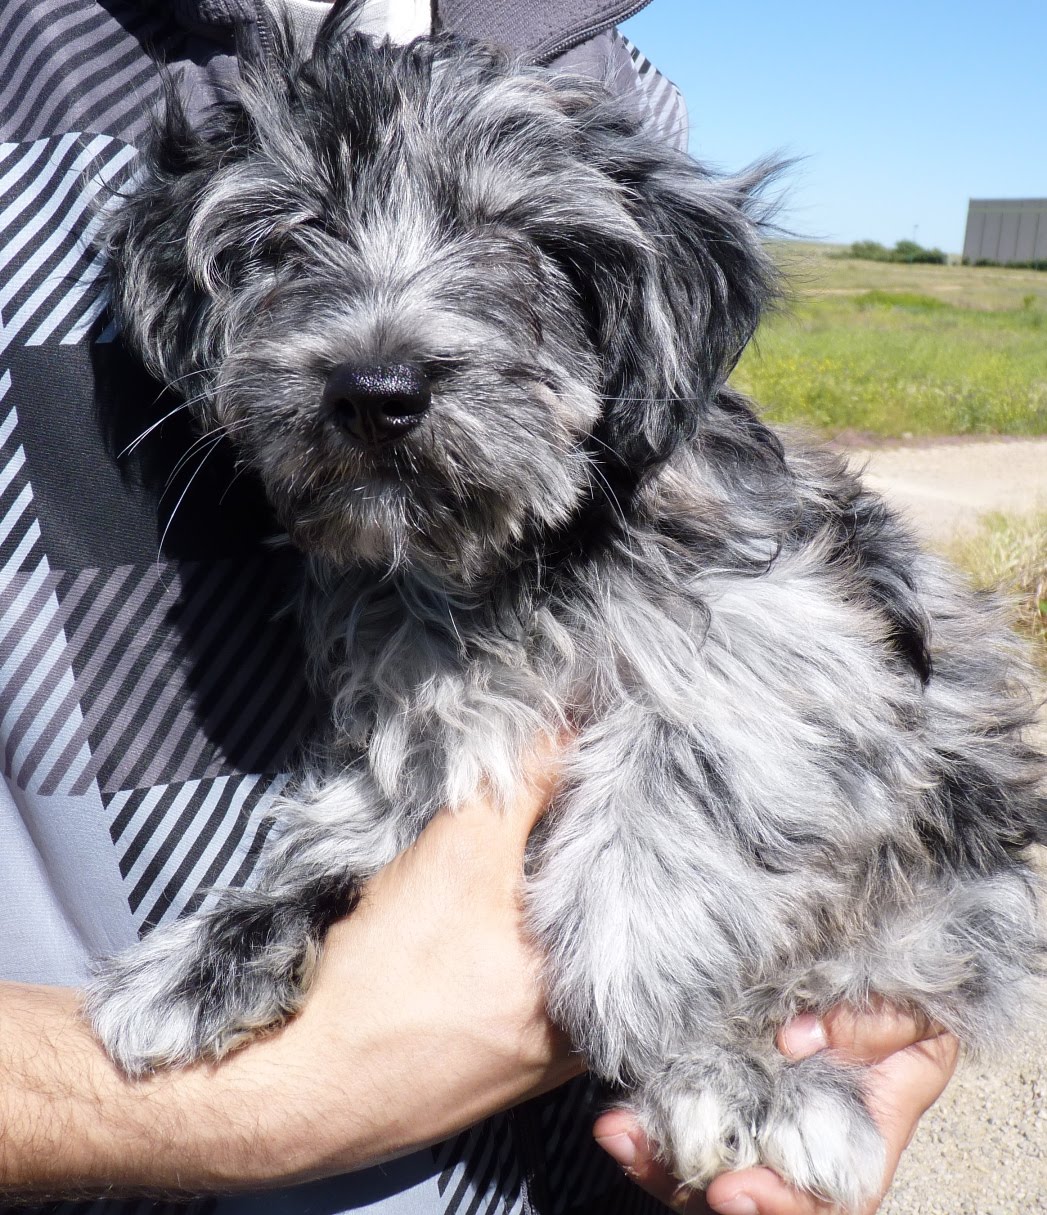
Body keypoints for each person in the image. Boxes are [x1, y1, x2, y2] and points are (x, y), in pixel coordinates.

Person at [0, 1, 958, 1212]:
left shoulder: (609, 75)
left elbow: (899, 702)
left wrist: (858, 971)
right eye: (284, 246)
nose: (379, 362)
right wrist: (265, 1098)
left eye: (510, 247)